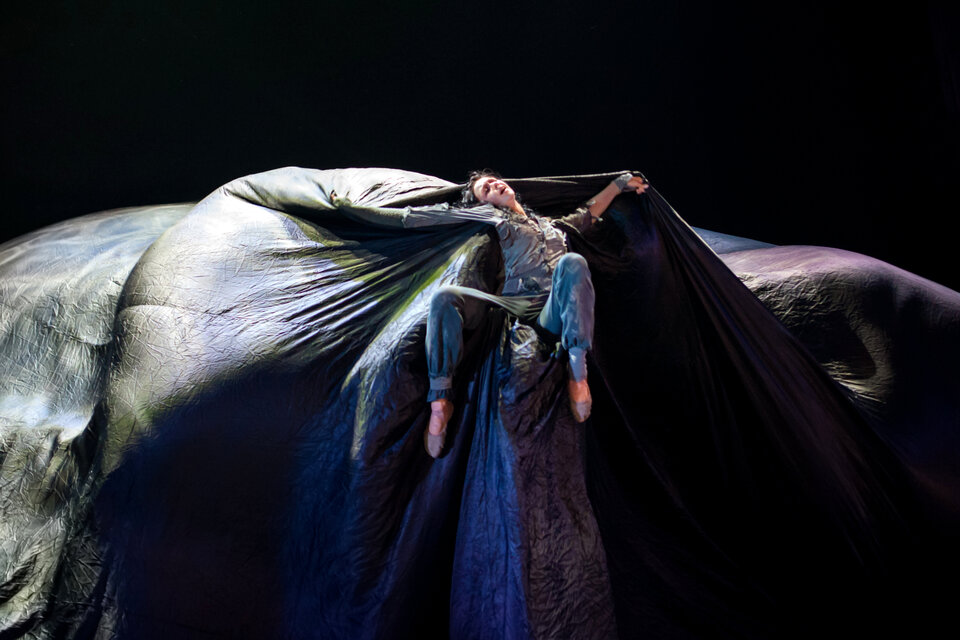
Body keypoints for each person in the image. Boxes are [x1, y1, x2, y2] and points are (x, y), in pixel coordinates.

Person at [423, 170, 648, 457]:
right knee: (444, 297)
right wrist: (369, 214)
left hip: (551, 308)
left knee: (573, 261)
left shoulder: (554, 226)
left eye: (493, 180)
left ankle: (578, 374)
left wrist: (618, 184)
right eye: (486, 189)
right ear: (484, 204)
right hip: (512, 305)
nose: (494, 184)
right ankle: (440, 402)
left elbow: (590, 211)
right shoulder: (492, 218)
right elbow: (426, 217)